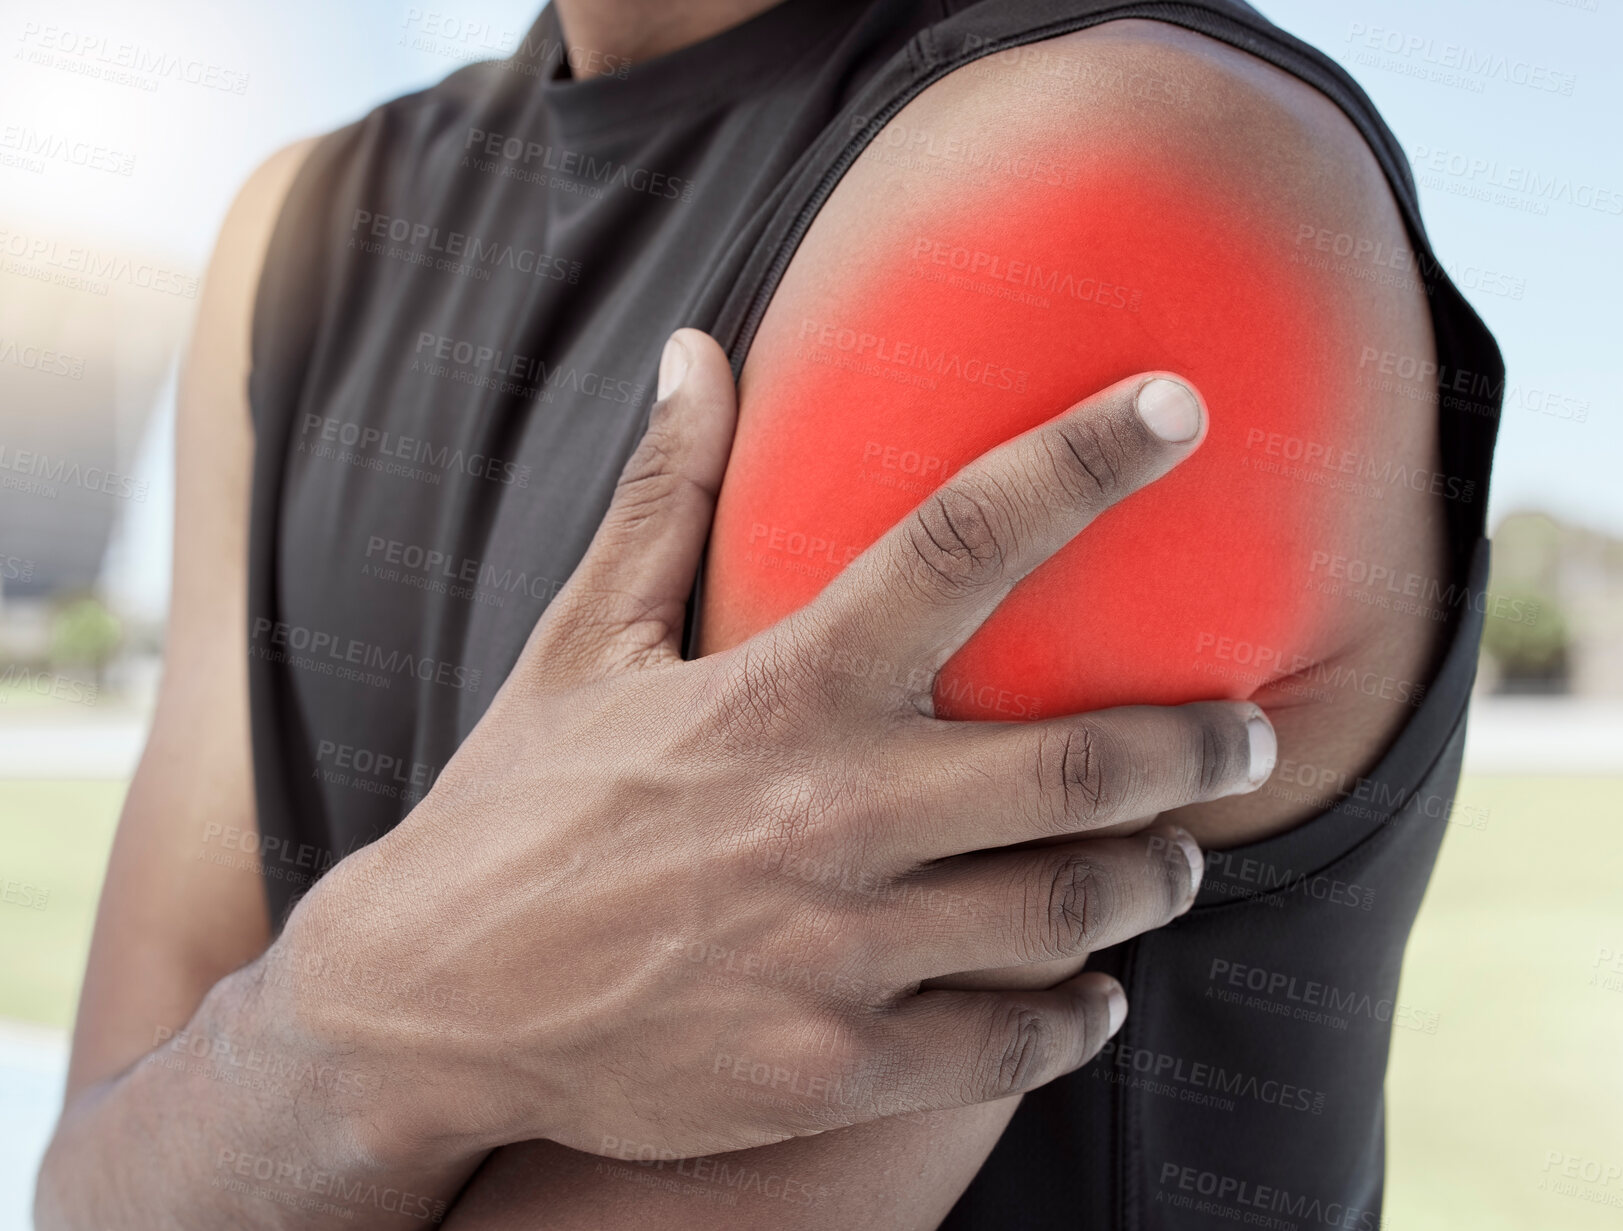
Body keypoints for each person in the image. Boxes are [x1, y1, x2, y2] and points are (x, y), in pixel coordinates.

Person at [35, 1, 1503, 1227]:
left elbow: (148, 1169)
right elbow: (88, 1191)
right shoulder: (305, 228)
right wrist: (344, 1027)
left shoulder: (1093, 175)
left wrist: (290, 1084)